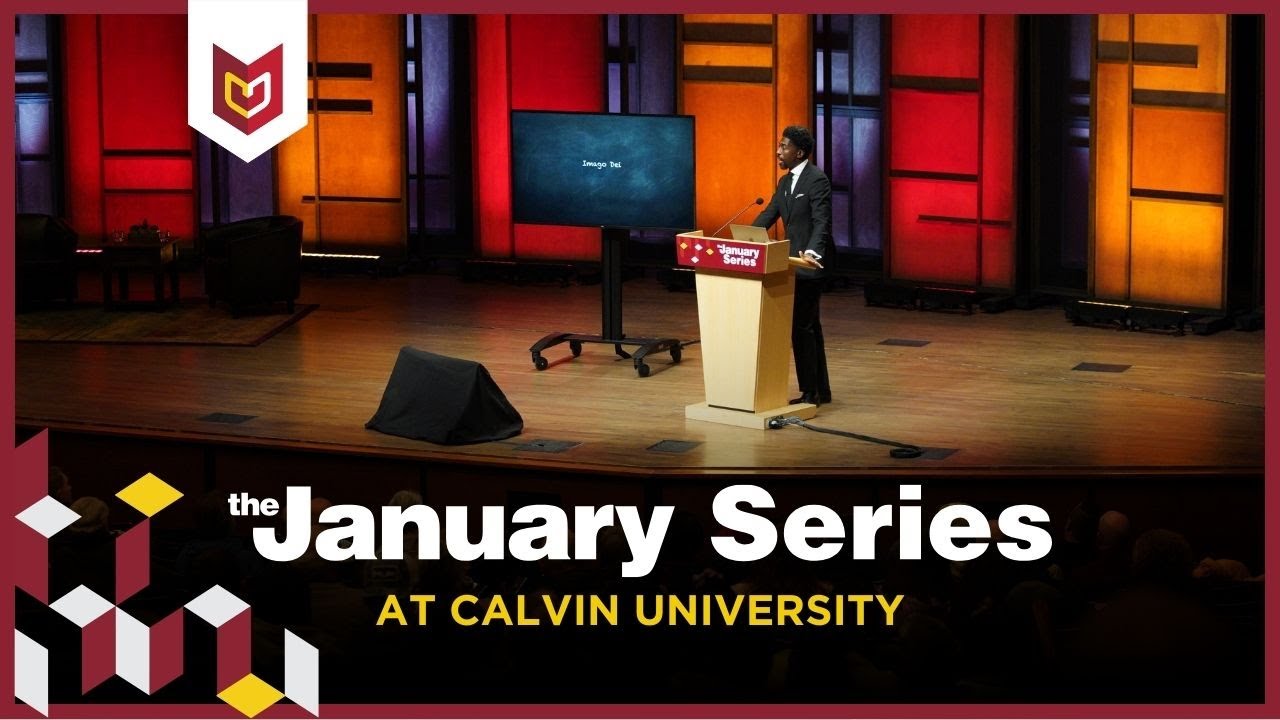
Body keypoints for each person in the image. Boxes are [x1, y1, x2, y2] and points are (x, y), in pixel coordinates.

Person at [752, 125, 833, 405]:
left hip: (809, 264)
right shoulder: (785, 182)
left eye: (783, 146)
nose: (778, 150)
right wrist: (746, 237)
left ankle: (810, 392)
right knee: (809, 325)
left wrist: (814, 253)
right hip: (791, 263)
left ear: (798, 152)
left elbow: (822, 222)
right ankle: (821, 389)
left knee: (802, 327)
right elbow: (769, 213)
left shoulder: (817, 180)